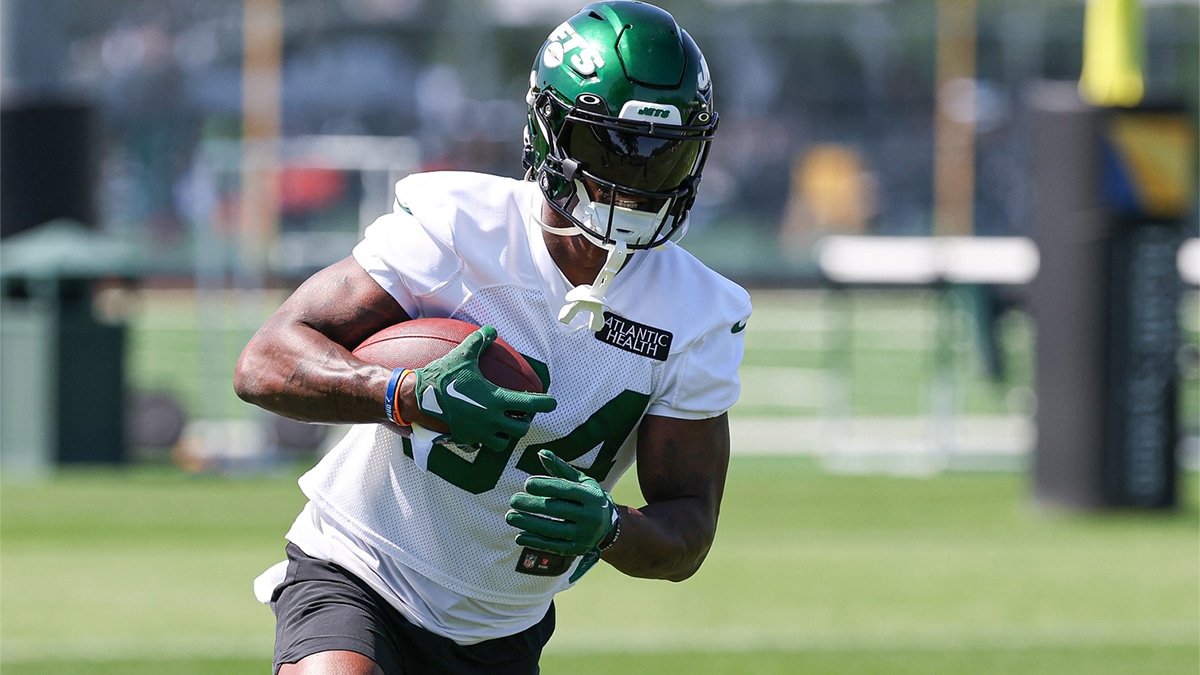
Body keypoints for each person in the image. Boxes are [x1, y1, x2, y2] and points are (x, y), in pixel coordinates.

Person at [235, 2, 751, 673]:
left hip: (502, 625)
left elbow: (690, 528)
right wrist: (402, 392)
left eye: (663, 155)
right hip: (361, 565)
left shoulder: (698, 310)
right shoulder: (458, 228)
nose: (634, 181)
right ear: (550, 130)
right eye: (610, 147)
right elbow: (265, 360)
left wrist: (611, 529)